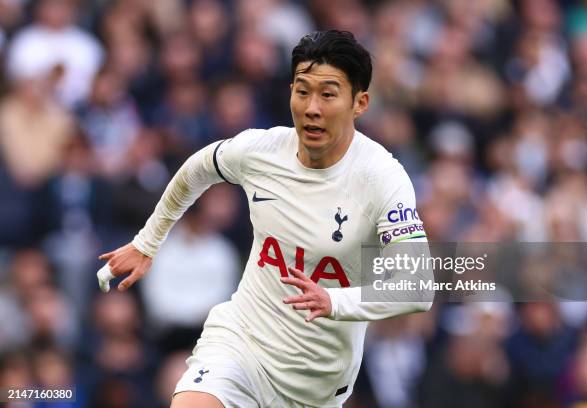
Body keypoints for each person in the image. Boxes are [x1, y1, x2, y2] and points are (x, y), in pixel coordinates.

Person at [97, 30, 432, 408]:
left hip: (316, 383)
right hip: (242, 342)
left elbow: (416, 284)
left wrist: (334, 301)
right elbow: (198, 169)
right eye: (302, 91)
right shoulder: (262, 150)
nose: (312, 108)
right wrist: (148, 241)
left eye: (328, 94)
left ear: (360, 103)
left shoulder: (381, 178)